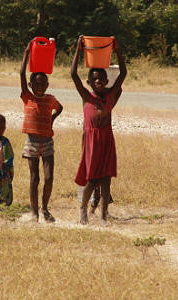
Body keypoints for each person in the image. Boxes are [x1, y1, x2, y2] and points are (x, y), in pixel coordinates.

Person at [71, 35, 127, 225]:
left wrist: (117, 50)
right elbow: (73, 75)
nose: (98, 81)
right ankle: (82, 209)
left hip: (106, 140)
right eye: (94, 79)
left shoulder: (110, 96)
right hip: (92, 141)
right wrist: (78, 50)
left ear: (106, 80)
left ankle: (103, 215)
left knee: (106, 179)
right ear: (89, 82)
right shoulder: (87, 96)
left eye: (101, 78)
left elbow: (123, 73)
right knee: (92, 179)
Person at [20, 40, 63, 223]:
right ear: (30, 85)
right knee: (34, 178)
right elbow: (22, 73)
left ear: (47, 84)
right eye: (36, 84)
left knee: (49, 177)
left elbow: (60, 108)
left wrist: (52, 119)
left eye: (43, 84)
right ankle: (34, 212)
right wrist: (27, 52)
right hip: (31, 142)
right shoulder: (27, 97)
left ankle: (45, 208)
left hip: (47, 143)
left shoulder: (50, 99)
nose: (40, 87)